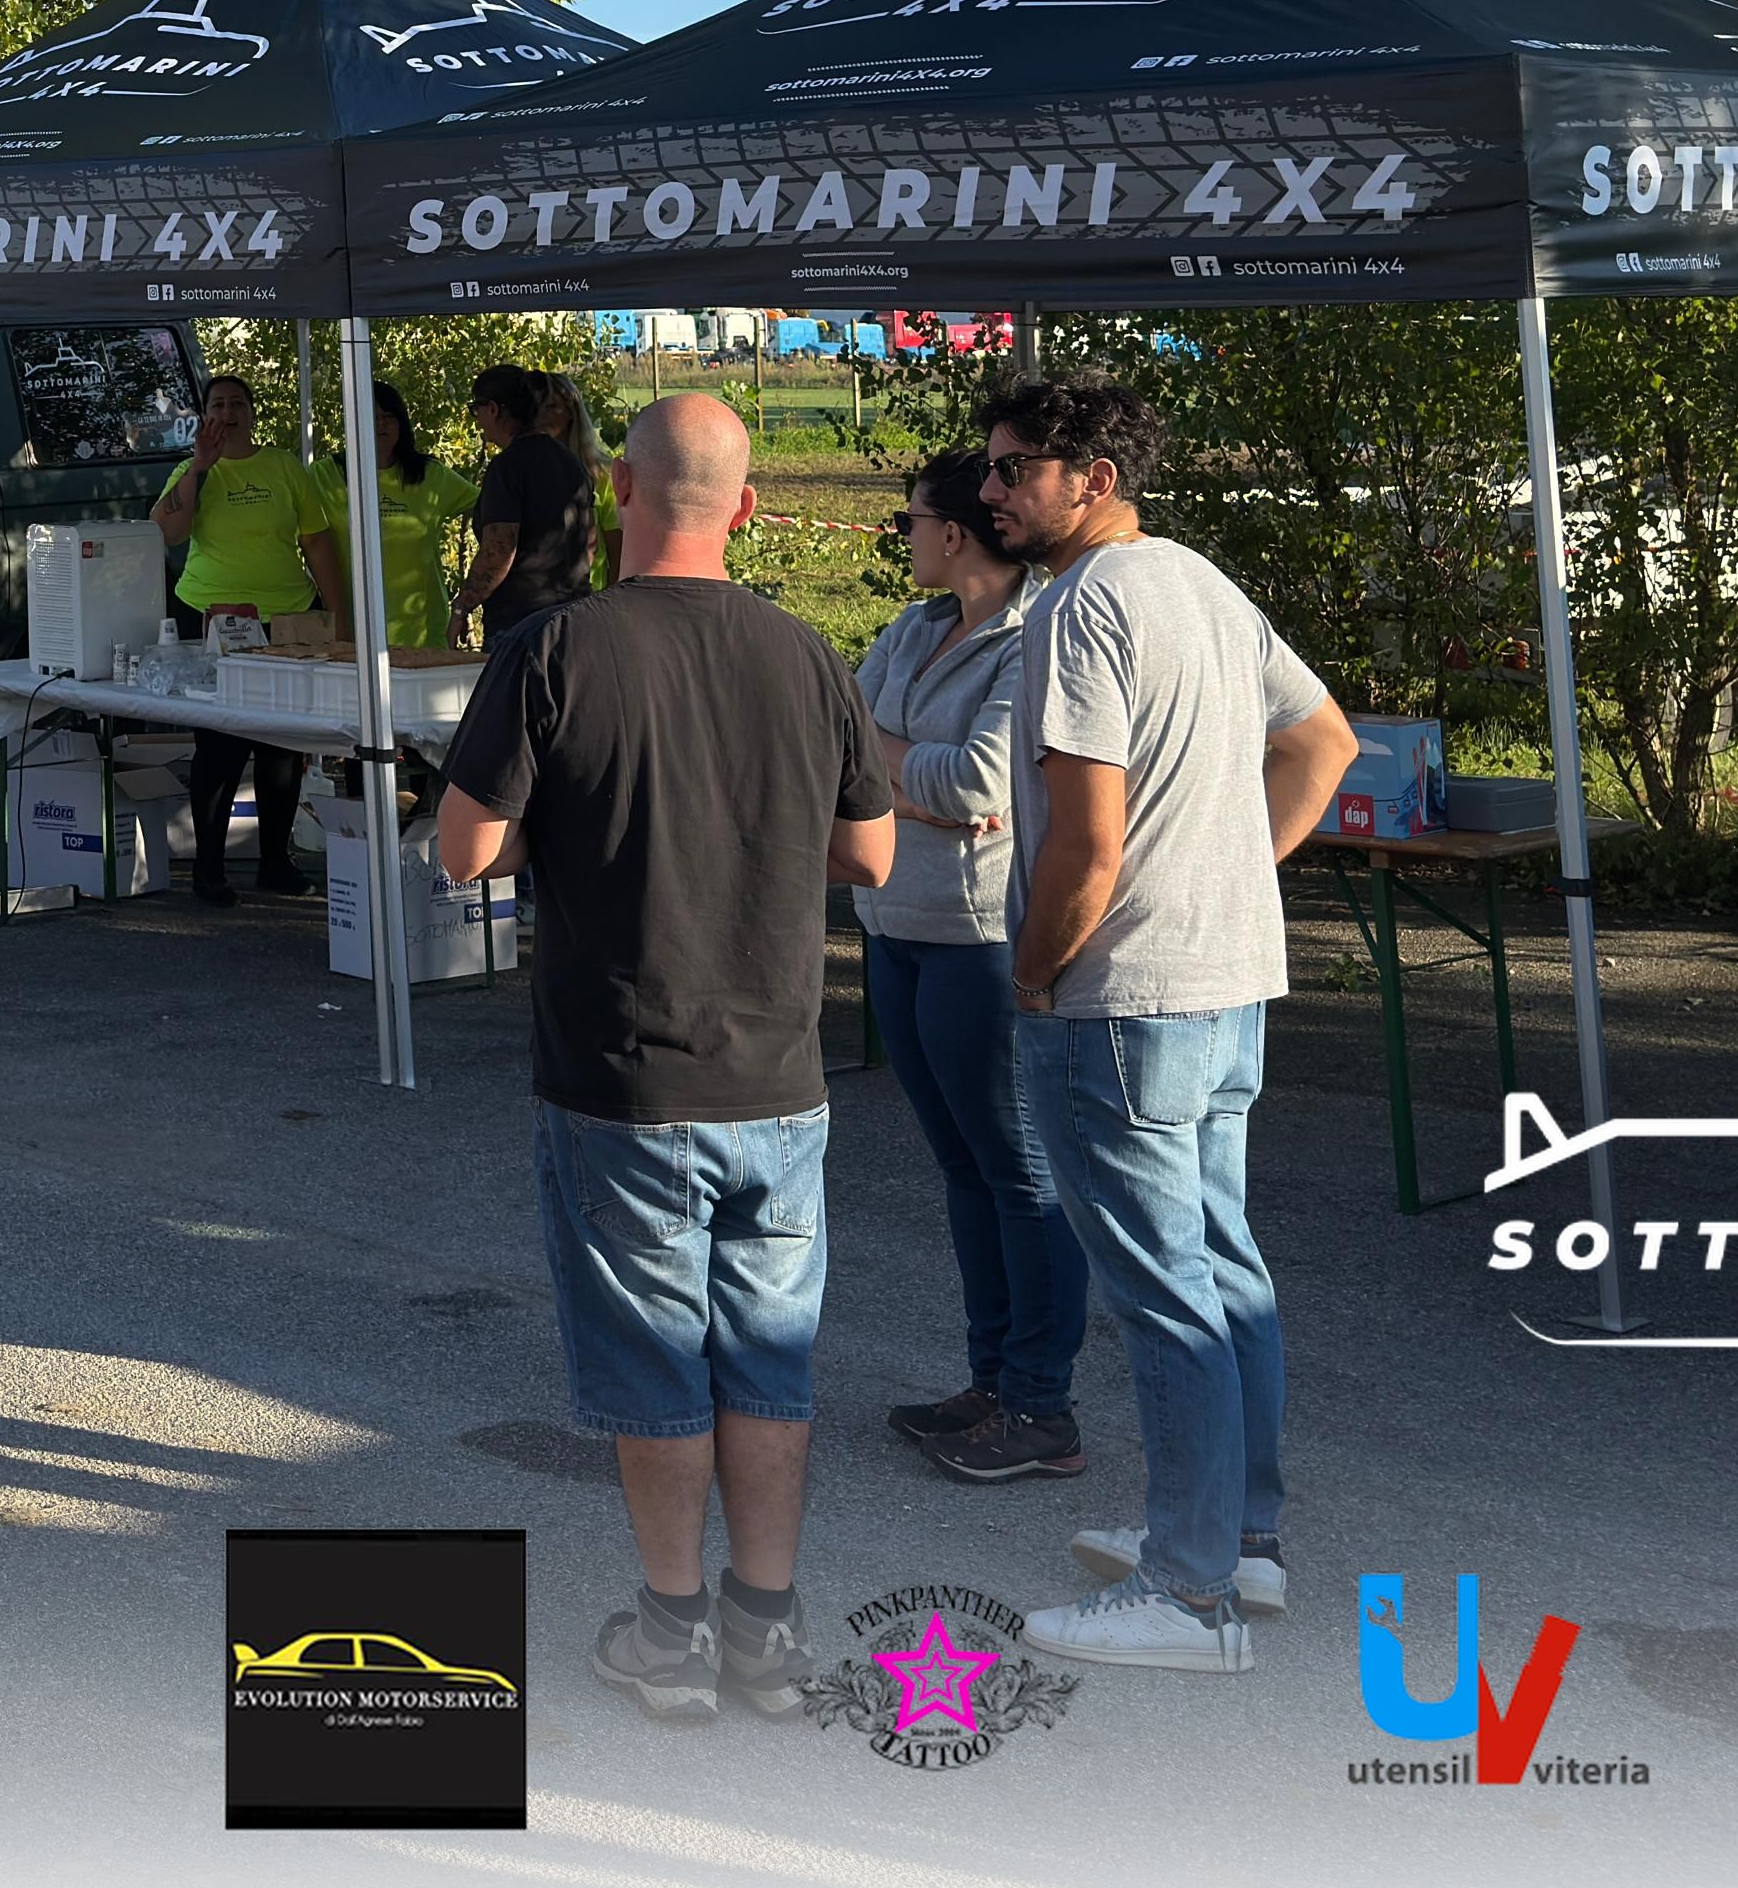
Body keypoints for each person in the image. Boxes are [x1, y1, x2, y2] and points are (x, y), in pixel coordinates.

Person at [435, 394, 894, 1730]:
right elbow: (870, 856)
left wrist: (577, 830)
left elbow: (465, 851)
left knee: (655, 1366)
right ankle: (768, 1627)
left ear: (616, 489)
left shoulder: (551, 647)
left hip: (623, 1076)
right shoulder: (808, 654)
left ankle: (672, 1629)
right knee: (767, 1363)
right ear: (746, 507)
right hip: (779, 1077)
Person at [978, 373, 1354, 1675]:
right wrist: (1224, 870)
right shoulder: (1200, 582)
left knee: (1164, 1295)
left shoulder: (1079, 608)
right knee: (1221, 1272)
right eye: (991, 467)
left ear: (1092, 479)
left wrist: (1034, 974)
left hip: (1121, 1001)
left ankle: (1188, 1595)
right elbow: (1323, 744)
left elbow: (1085, 844)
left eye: (1014, 468)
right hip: (1222, 983)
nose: (989, 490)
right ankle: (1236, 1544)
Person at [854, 449, 1086, 1485]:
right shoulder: (912, 628)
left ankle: (1041, 1403)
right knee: (962, 1167)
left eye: (909, 520)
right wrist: (916, 784)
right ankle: (990, 1383)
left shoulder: (1029, 639)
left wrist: (887, 771)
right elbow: (835, 743)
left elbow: (982, 783)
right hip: (893, 924)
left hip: (978, 938)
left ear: (952, 535)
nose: (901, 537)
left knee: (1019, 1174)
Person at [156, 373, 350, 902]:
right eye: (218, 404)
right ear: (204, 416)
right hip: (214, 619)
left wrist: (340, 617)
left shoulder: (285, 466)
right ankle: (209, 870)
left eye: (238, 403)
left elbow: (317, 542)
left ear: (253, 413)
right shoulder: (192, 470)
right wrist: (199, 468)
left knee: (281, 745)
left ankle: (275, 862)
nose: (229, 412)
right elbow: (166, 532)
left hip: (286, 620)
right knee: (219, 747)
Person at [455, 363, 600, 646]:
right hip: (573, 618)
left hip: (520, 624)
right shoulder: (572, 463)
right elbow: (589, 544)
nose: (478, 419)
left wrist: (463, 607)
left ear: (493, 409)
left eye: (476, 410)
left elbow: (499, 550)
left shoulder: (507, 467)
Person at [370, 380, 471, 653]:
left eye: (389, 416)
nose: (381, 424)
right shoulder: (327, 475)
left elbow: (492, 506)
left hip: (423, 630)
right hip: (353, 631)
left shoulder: (431, 474)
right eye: (372, 416)